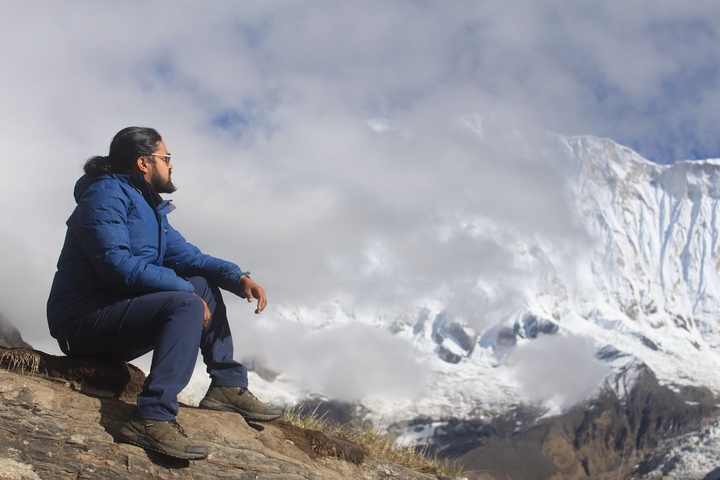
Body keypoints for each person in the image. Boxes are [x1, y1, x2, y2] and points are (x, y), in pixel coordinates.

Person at [47, 126, 281, 460]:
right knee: (187, 299)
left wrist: (239, 277)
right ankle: (152, 417)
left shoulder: (148, 208)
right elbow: (116, 264)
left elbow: (190, 257)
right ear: (143, 162)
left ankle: (226, 385)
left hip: (114, 314)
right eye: (166, 158)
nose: (171, 165)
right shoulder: (105, 196)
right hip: (80, 320)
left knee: (200, 282)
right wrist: (186, 292)